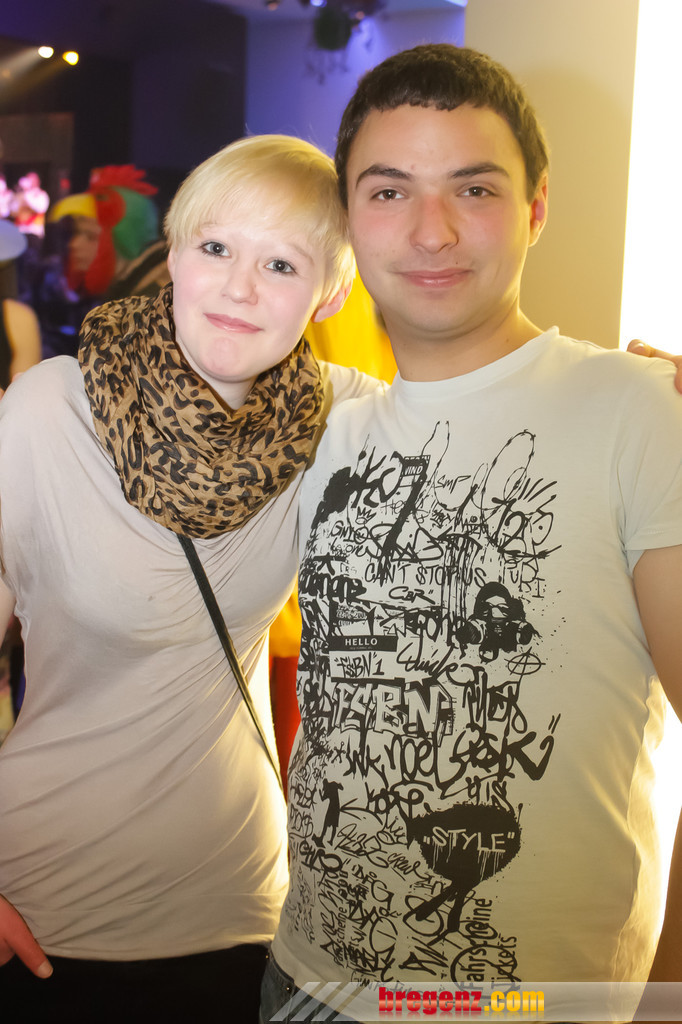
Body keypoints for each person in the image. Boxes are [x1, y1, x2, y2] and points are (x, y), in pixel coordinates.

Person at [261, 45, 682, 1023]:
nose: (432, 230)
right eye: (389, 191)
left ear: (536, 208)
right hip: (306, 980)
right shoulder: (323, 427)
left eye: (474, 188)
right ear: (348, 221)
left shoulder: (634, 409)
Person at [0, 133, 375, 1024]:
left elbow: (516, 420)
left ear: (330, 293)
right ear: (172, 255)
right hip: (46, 912)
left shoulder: (345, 417)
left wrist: (645, 392)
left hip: (244, 912)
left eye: (281, 264)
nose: (241, 287)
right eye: (215, 248)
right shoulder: (52, 410)